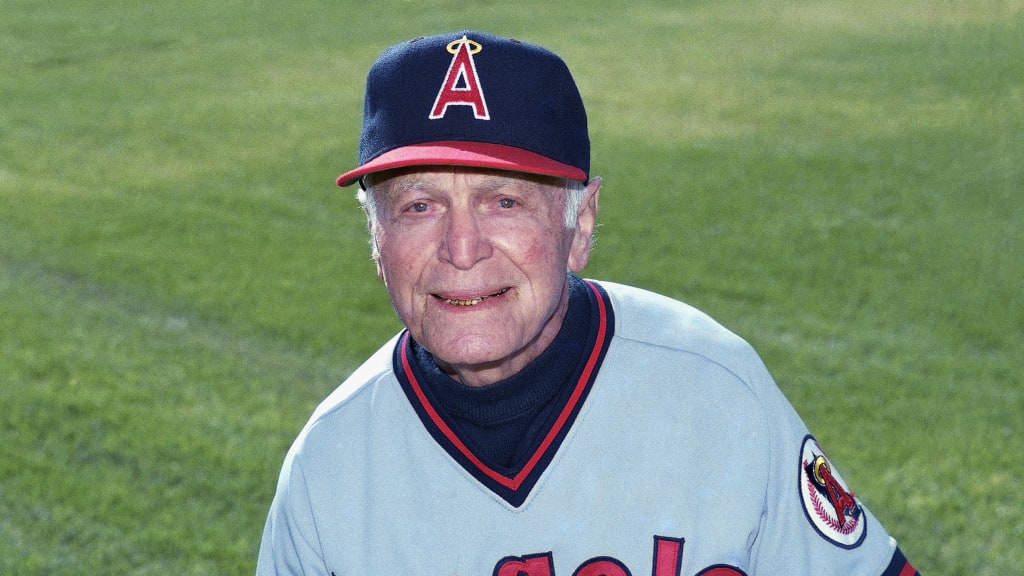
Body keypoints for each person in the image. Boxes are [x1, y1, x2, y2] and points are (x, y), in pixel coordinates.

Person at [256, 30, 919, 575]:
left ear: (583, 224)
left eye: (505, 201)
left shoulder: (715, 389)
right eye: (419, 206)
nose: (462, 248)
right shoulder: (331, 467)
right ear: (377, 238)